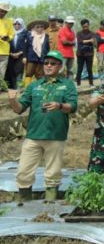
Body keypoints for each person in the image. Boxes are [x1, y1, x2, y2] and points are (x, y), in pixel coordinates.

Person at [7, 50, 78, 201]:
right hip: (33, 135)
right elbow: (20, 109)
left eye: (53, 63)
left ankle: (50, 204)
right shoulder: (34, 85)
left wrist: (59, 105)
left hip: (55, 135)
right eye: (46, 63)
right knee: (23, 172)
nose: (48, 66)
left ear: (60, 66)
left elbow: (72, 106)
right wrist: (13, 100)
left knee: (53, 173)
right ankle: (24, 203)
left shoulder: (67, 85)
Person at [6, 18, 29, 90]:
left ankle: (18, 88)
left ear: (22, 24)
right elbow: (6, 43)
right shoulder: (10, 33)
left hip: (21, 55)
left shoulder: (26, 32)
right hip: (11, 55)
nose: (16, 25)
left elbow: (27, 44)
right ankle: (12, 88)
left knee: (19, 71)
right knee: (11, 71)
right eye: (15, 24)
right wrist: (11, 53)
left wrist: (19, 53)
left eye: (18, 24)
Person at [75, 19, 97, 86]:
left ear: (88, 25)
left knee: (89, 69)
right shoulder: (78, 33)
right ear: (82, 26)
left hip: (89, 54)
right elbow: (80, 41)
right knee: (79, 69)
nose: (85, 28)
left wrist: (90, 41)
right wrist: (89, 40)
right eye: (84, 26)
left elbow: (94, 41)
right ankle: (78, 84)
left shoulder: (92, 33)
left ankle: (91, 83)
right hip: (80, 54)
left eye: (87, 26)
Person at [58, 16, 77, 81]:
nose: (71, 24)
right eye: (69, 23)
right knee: (61, 70)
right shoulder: (62, 30)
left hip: (71, 54)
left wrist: (70, 42)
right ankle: (59, 85)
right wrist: (71, 42)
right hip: (63, 53)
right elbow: (64, 42)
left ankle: (69, 85)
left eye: (72, 23)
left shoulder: (72, 32)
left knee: (71, 71)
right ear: (66, 23)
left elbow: (74, 43)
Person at [0, 2, 14, 84]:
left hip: (4, 52)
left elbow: (12, 34)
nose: (3, 13)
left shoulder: (9, 22)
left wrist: (8, 38)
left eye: (5, 12)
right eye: (2, 11)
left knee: (1, 73)